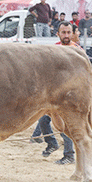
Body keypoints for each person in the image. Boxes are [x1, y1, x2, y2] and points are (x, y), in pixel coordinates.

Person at [31, 21, 78, 165]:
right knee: (44, 120)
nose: (66, 35)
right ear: (57, 34)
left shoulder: (77, 51)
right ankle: (52, 143)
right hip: (54, 94)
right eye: (63, 32)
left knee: (66, 125)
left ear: (72, 34)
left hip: (69, 95)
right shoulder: (54, 49)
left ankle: (69, 155)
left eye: (68, 32)